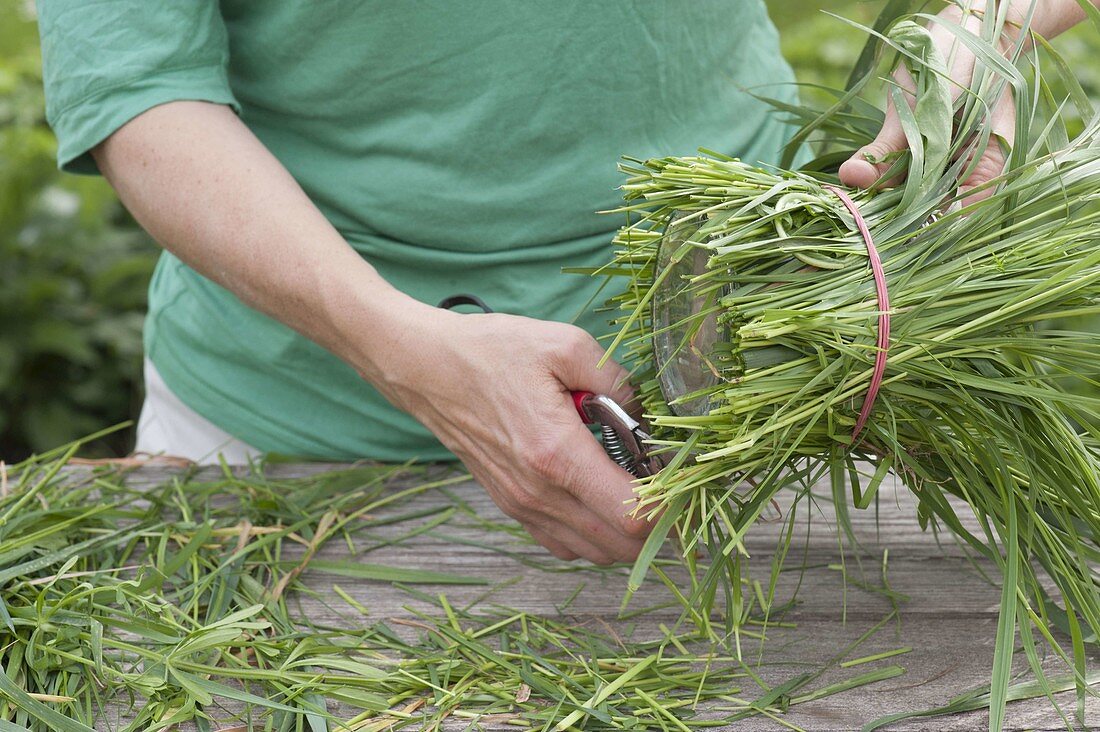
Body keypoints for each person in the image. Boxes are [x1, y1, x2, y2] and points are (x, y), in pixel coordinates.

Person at [36, 1, 1096, 566]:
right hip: (289, 449)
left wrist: (979, 29)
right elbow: (139, 91)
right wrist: (399, 348)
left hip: (747, 398)